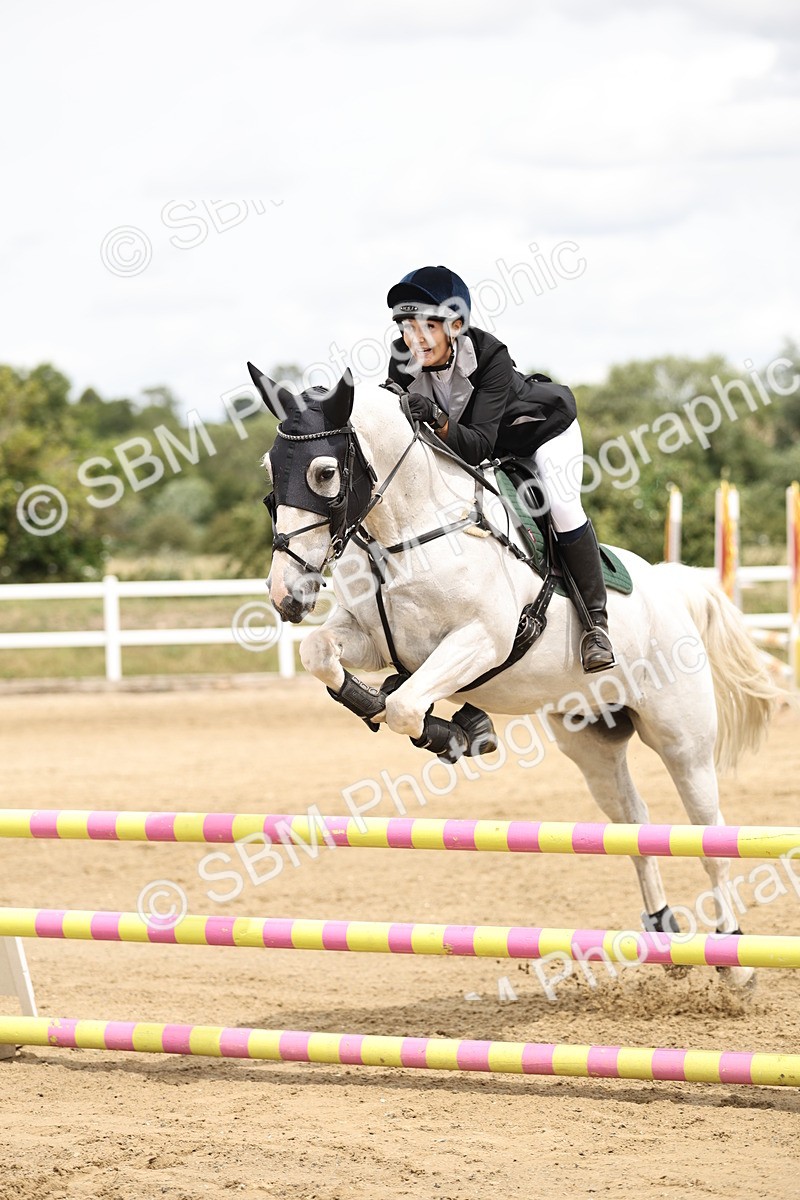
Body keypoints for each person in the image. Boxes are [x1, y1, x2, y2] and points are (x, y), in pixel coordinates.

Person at [385, 263, 616, 673]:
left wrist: (435, 417)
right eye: (407, 326)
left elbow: (478, 445)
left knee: (561, 506)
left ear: (456, 326)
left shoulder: (491, 355)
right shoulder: (402, 360)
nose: (414, 339)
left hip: (542, 433)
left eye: (427, 327)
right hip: (487, 447)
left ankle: (596, 626)